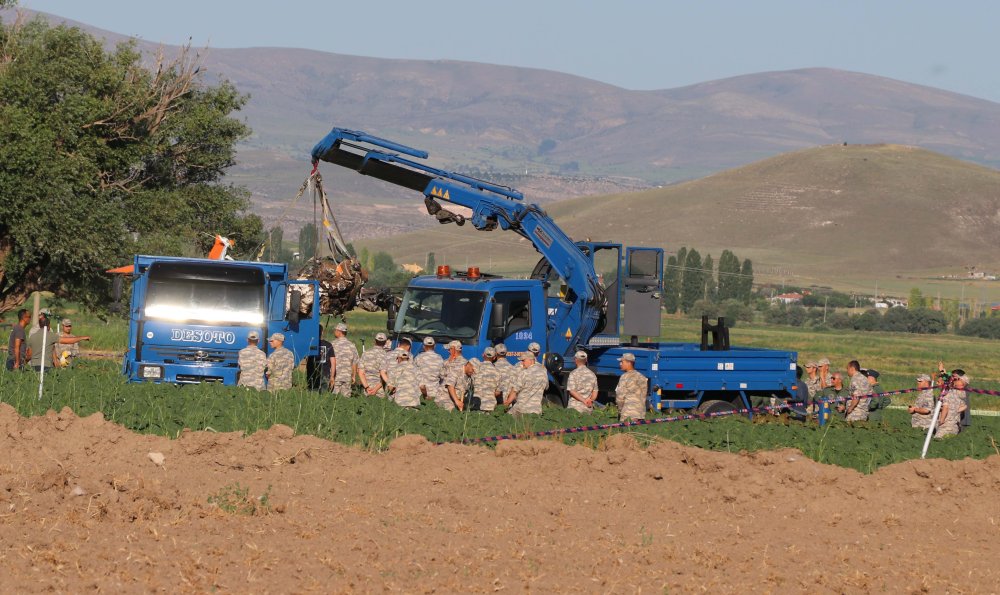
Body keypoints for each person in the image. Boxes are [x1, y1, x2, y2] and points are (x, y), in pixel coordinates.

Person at [503, 351, 548, 415]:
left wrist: (507, 403)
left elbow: (514, 391)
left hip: (521, 410)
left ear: (531, 360)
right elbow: (546, 387)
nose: (522, 363)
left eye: (523, 360)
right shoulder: (543, 372)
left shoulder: (524, 373)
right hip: (536, 410)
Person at [615, 352, 648, 422]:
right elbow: (644, 396)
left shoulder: (624, 377)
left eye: (622, 362)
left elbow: (620, 397)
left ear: (629, 363)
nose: (620, 364)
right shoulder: (642, 377)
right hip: (640, 413)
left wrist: (620, 410)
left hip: (628, 413)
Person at [330, 322, 359, 396]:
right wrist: (354, 376)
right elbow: (355, 362)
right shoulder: (352, 345)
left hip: (336, 376)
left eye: (335, 330)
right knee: (346, 398)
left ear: (339, 332)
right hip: (347, 377)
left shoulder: (332, 344)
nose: (334, 332)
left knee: (334, 398)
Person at [437, 340, 467, 411]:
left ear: (453, 349)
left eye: (449, 349)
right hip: (459, 397)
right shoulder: (466, 362)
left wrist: (448, 362)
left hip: (446, 398)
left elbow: (441, 375)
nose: (448, 351)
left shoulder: (447, 362)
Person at [357, 332, 390, 397]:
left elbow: (361, 373)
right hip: (380, 390)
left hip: (367, 390)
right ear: (385, 342)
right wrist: (375, 389)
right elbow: (385, 375)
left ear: (374, 341)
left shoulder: (365, 353)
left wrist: (367, 388)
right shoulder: (386, 355)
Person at [471, 346, 502, 412]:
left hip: (476, 404)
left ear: (483, 355)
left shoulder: (476, 368)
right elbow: (498, 392)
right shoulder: (498, 372)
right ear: (494, 357)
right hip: (490, 405)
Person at [306, 325, 334, 391]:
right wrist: (332, 376)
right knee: (324, 393)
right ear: (322, 332)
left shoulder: (311, 344)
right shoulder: (328, 344)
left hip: (312, 373)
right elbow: (333, 362)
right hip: (325, 373)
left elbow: (306, 358)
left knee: (312, 393)